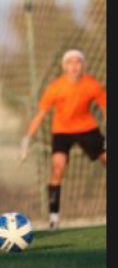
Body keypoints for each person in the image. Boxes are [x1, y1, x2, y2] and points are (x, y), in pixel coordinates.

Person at [22, 50, 107, 230]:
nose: (74, 66)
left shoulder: (92, 85)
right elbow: (41, 115)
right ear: (64, 66)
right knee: (57, 167)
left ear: (83, 65)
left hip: (88, 128)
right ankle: (54, 218)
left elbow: (106, 108)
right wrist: (27, 139)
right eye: (70, 62)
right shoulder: (55, 87)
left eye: (78, 62)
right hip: (62, 131)